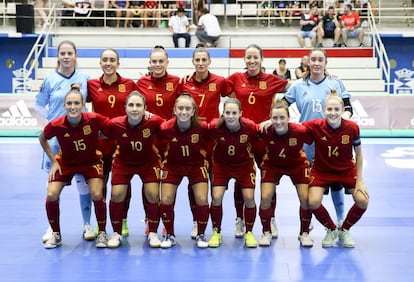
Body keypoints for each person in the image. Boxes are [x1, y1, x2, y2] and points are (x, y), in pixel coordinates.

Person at [283, 48, 354, 229]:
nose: (316, 63)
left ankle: (340, 219)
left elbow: (348, 108)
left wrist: (342, 121)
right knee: (307, 181)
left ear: (325, 63)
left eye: (319, 60)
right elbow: (283, 105)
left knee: (336, 180)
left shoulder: (335, 83)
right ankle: (308, 219)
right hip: (307, 141)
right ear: (308, 62)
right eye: (313, 59)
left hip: (332, 140)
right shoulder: (298, 85)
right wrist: (275, 119)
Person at [227, 44, 289, 238]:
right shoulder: (235, 79)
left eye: (255, 57)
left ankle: (270, 218)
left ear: (262, 59)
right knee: (240, 179)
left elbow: (295, 88)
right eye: (248, 57)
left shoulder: (272, 80)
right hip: (242, 138)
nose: (252, 61)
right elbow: (215, 86)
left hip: (265, 138)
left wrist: (276, 116)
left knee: (268, 179)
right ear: (244, 60)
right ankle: (240, 219)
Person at [35, 40, 95, 243]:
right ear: (58, 57)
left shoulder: (85, 78)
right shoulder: (50, 80)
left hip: (79, 141)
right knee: (53, 186)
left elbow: (93, 103)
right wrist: (53, 122)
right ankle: (52, 228)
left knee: (83, 184)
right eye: (63, 53)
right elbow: (39, 106)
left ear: (76, 55)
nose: (66, 56)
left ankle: (87, 224)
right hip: (55, 142)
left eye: (70, 53)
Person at [39, 84, 109, 249]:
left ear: (83, 105)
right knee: (51, 194)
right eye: (69, 103)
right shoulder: (56, 124)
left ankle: (102, 233)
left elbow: (111, 128)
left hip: (91, 161)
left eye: (76, 103)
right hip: (66, 162)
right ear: (64, 105)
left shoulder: (94, 119)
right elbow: (42, 138)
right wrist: (54, 161)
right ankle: (56, 234)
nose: (73, 107)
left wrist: (98, 136)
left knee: (97, 194)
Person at [303, 90, 369, 248]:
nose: (332, 113)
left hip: (346, 170)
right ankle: (331, 229)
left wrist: (360, 180)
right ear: (324, 110)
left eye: (336, 109)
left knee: (363, 200)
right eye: (329, 109)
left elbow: (359, 155)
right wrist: (272, 121)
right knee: (312, 202)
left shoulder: (352, 128)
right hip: (321, 170)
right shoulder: (315, 125)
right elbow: (291, 128)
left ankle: (344, 229)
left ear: (342, 111)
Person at [181, 46, 233, 238]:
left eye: (204, 60)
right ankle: (197, 221)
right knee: (194, 181)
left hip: (213, 139)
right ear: (193, 62)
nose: (201, 63)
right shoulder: (184, 82)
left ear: (209, 61)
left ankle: (215, 225)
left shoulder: (219, 81)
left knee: (215, 181)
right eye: (197, 60)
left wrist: (223, 121)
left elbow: (234, 101)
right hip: (193, 138)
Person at [87, 48, 138, 237]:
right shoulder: (91, 85)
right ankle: (100, 223)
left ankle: (122, 220)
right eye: (105, 60)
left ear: (118, 63)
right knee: (99, 186)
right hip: (99, 145)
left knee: (122, 186)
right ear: (100, 63)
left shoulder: (129, 84)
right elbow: (74, 102)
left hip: (122, 143)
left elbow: (139, 106)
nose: (108, 63)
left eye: (112, 60)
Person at [103, 91, 164, 248]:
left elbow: (171, 128)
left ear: (145, 108)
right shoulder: (115, 124)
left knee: (153, 194)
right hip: (123, 162)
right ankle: (116, 233)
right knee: (116, 195)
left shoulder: (154, 121)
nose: (135, 109)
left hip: (148, 162)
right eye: (131, 105)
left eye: (138, 105)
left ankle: (153, 232)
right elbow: (98, 134)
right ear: (125, 108)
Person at [135, 45, 181, 236]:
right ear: (149, 63)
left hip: (171, 140)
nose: (157, 64)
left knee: (169, 183)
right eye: (154, 61)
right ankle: (150, 218)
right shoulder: (141, 84)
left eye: (161, 61)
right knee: (150, 183)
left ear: (167, 62)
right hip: (149, 141)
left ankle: (167, 221)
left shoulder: (177, 82)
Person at [258, 100, 313, 247]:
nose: (278, 121)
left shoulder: (300, 131)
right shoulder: (264, 130)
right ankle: (266, 231)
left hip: (297, 164)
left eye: (282, 118)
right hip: (272, 164)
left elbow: (318, 138)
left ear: (288, 118)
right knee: (265, 197)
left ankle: (304, 233)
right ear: (270, 118)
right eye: (275, 118)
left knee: (305, 198)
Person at [158, 94, 210, 249]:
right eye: (180, 108)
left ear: (193, 111)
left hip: (195, 164)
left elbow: (212, 138)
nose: (184, 112)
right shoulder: (165, 128)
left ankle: (201, 233)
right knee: (166, 199)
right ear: (174, 110)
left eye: (188, 108)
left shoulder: (202, 127)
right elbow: (158, 144)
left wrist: (205, 158)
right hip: (173, 165)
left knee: (201, 198)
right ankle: (170, 235)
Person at [208, 98, 260, 248]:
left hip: (244, 166)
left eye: (234, 113)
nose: (230, 116)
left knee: (249, 198)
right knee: (216, 197)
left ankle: (249, 232)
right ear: (222, 113)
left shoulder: (250, 127)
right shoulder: (215, 126)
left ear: (240, 114)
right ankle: (216, 232)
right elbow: (200, 129)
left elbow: (265, 132)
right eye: (227, 113)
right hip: (221, 165)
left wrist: (268, 122)